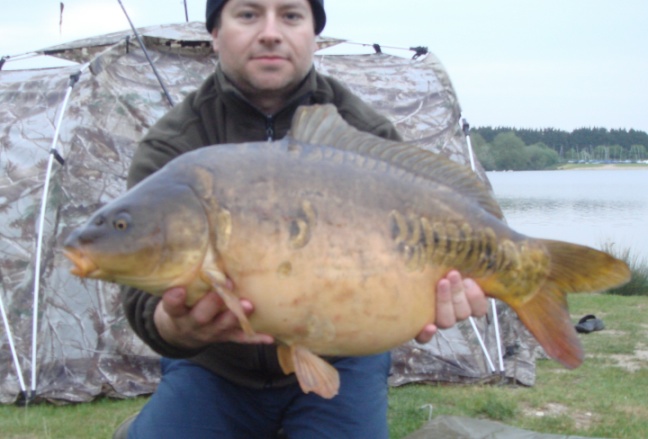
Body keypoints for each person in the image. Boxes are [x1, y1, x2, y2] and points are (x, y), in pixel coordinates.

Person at [116, 0, 489, 437]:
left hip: (342, 357)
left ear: (315, 34)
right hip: (214, 364)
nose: (271, 32)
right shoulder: (174, 145)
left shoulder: (363, 133)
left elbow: (419, 251)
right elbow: (138, 290)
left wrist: (433, 296)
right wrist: (172, 325)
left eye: (291, 15)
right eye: (248, 14)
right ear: (214, 33)